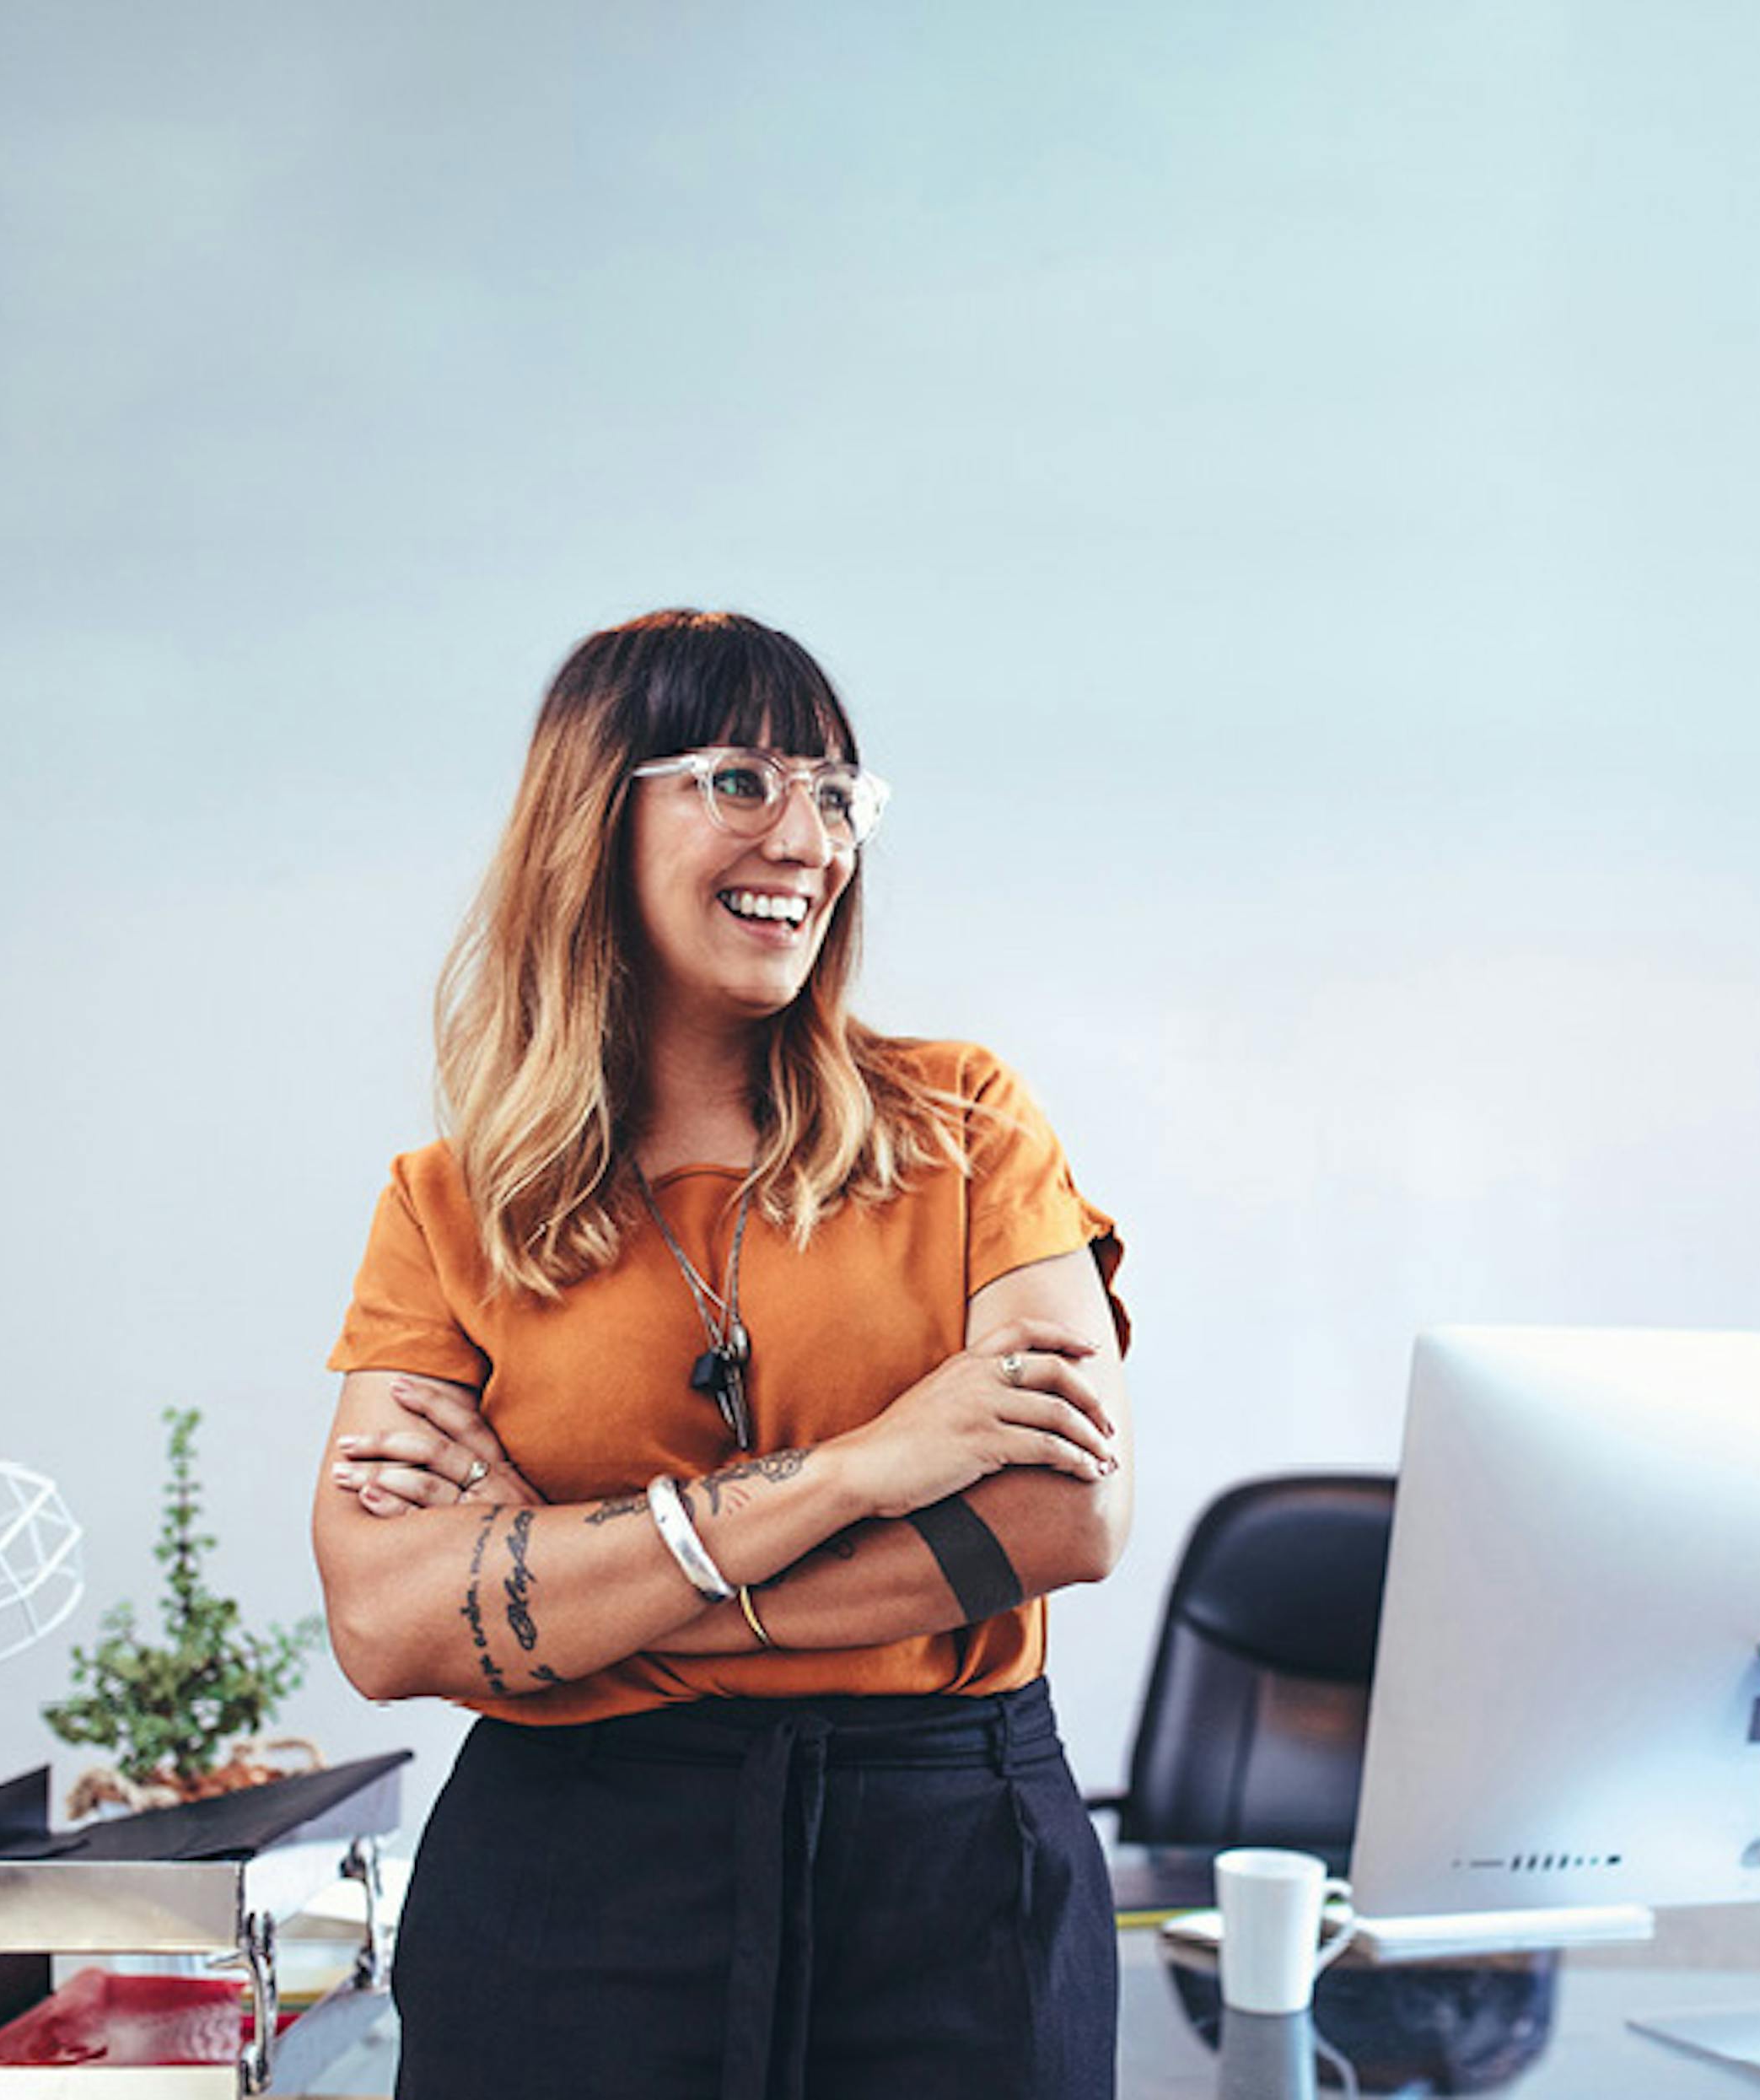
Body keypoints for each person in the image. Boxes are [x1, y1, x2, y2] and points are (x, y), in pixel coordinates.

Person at [311, 610, 1132, 2100]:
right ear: (595, 813)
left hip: (951, 1884)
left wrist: (573, 1587)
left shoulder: (966, 1124)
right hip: (567, 1894)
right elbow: (385, 1623)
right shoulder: (447, 1209)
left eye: (836, 792)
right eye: (742, 779)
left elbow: (1061, 1512)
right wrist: (857, 1473)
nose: (808, 837)